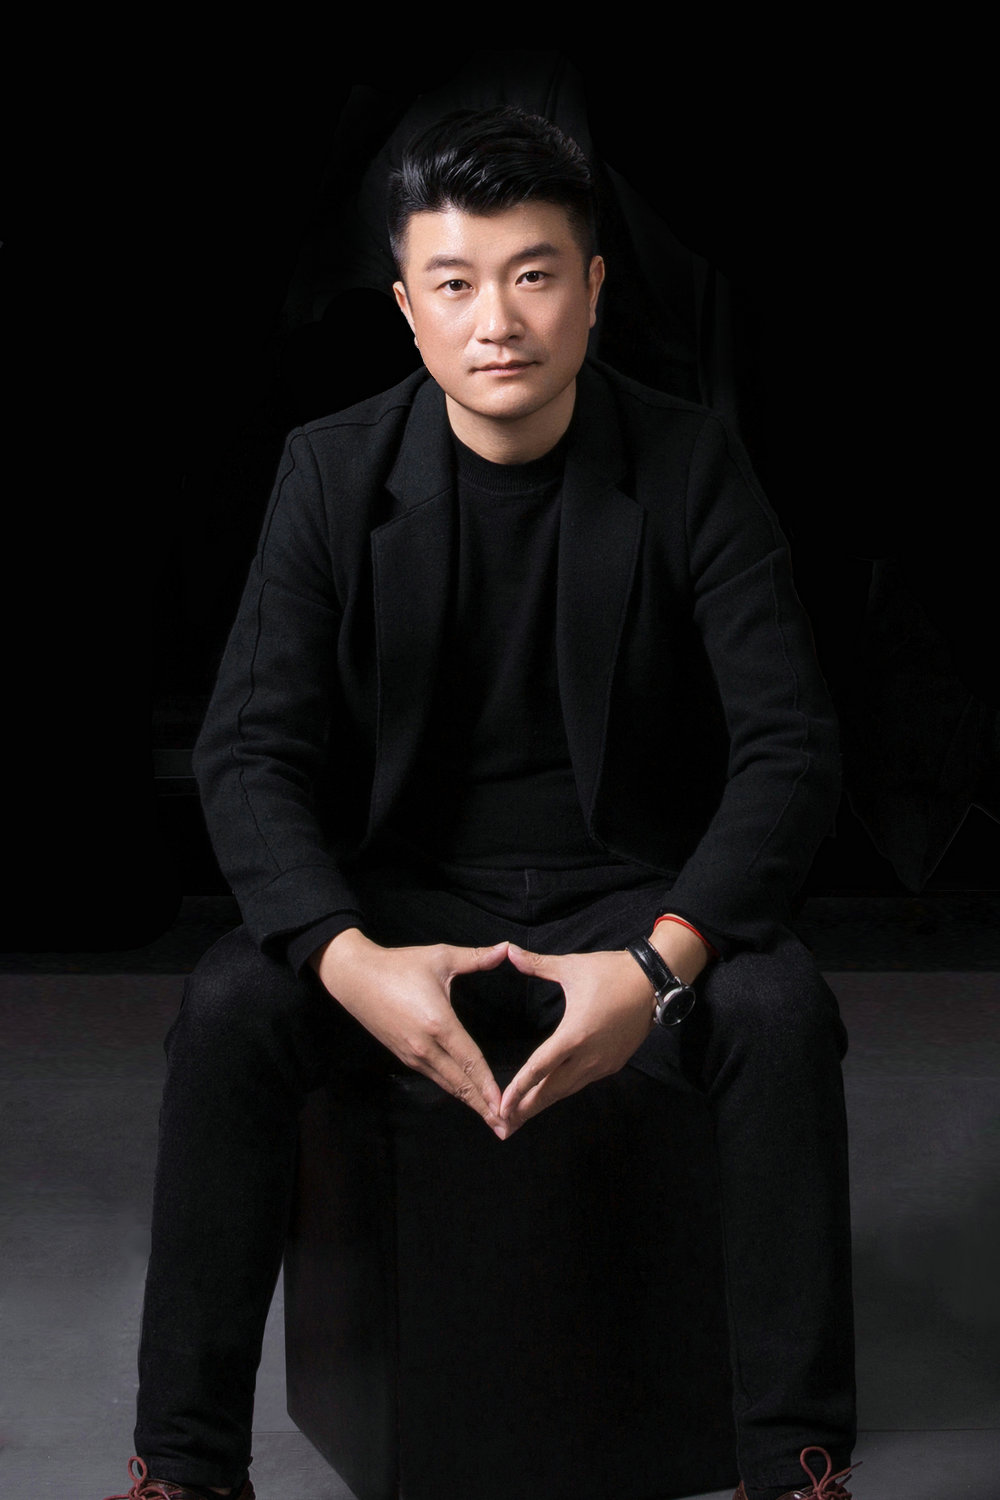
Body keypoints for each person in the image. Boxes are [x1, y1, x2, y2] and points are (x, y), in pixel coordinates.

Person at [106, 107, 858, 1500]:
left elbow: (790, 749)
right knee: (228, 1007)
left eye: (533, 275)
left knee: (780, 1008)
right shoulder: (331, 471)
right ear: (406, 305)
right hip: (400, 896)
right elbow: (249, 750)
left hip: (629, 892)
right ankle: (183, 1467)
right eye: (454, 282)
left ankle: (796, 1463)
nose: (496, 320)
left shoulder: (690, 462)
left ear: (593, 288)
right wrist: (348, 958)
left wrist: (660, 963)